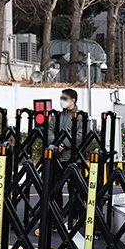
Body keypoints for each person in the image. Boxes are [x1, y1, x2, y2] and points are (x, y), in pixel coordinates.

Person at [47, 88, 85, 230]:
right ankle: (57, 218)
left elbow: (81, 135)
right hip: (58, 157)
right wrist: (56, 144)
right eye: (61, 98)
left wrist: (64, 144)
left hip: (73, 158)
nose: (62, 100)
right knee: (55, 188)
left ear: (73, 100)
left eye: (65, 98)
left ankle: (73, 218)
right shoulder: (57, 116)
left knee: (73, 189)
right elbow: (49, 131)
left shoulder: (80, 116)